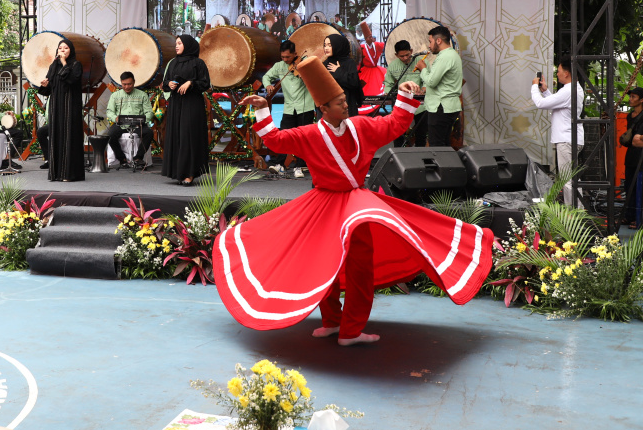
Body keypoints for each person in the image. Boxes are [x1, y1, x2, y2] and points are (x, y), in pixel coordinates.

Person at [214, 57, 494, 346]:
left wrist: (407, 94)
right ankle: (333, 322)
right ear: (323, 108)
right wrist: (262, 109)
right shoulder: (309, 134)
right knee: (324, 265)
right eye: (337, 102)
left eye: (343, 99)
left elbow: (394, 124)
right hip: (323, 206)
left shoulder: (360, 127)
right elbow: (274, 140)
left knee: (360, 267)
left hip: (356, 207)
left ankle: (351, 330)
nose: (345, 104)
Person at [530, 56, 584, 207]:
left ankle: (572, 214)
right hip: (571, 137)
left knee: (567, 179)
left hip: (566, 139)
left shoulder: (568, 90)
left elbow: (541, 104)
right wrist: (546, 91)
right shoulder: (573, 89)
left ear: (566, 73)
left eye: (559, 71)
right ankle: (577, 209)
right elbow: (556, 103)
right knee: (572, 177)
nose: (557, 74)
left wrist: (535, 87)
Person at [162, 34, 211, 185]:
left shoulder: (198, 63)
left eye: (179, 43)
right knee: (177, 135)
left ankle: (190, 173)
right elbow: (165, 82)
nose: (176, 46)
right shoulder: (173, 63)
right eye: (176, 43)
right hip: (176, 104)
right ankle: (177, 172)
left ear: (188, 45)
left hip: (192, 104)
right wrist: (169, 84)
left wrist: (190, 83)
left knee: (188, 136)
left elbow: (205, 83)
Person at [262, 40, 314, 177]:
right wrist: (268, 85)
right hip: (289, 106)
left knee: (303, 137)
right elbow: (267, 76)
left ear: (295, 54)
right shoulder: (279, 66)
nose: (285, 60)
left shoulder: (304, 62)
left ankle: (300, 166)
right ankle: (280, 165)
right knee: (284, 136)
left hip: (305, 106)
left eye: (288, 57)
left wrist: (303, 72)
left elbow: (314, 78)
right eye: (283, 57)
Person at [38, 39, 85, 182]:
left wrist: (65, 63)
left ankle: (69, 174)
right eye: (60, 48)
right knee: (56, 135)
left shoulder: (76, 65)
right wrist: (45, 84)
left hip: (70, 107)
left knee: (69, 136)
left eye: (66, 48)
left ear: (71, 51)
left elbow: (72, 80)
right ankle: (56, 173)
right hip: (56, 106)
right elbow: (49, 89)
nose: (62, 50)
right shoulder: (53, 66)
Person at [416, 26, 463, 147]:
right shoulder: (452, 55)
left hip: (441, 107)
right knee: (443, 143)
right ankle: (447, 166)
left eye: (430, 41)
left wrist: (423, 69)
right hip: (448, 106)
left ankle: (441, 166)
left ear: (438, 41)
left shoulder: (444, 57)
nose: (429, 46)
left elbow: (431, 81)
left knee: (436, 145)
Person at [104, 71, 155, 169]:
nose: (127, 87)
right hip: (120, 124)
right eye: (124, 84)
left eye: (129, 84)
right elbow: (109, 111)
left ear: (134, 82)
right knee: (110, 135)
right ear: (121, 83)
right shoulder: (115, 96)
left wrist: (143, 120)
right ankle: (122, 159)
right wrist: (115, 118)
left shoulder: (142, 95)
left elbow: (149, 112)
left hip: (138, 124)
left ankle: (138, 158)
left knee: (149, 133)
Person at [383, 40, 428, 147]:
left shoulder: (420, 61)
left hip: (420, 104)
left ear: (411, 51)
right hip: (402, 104)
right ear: (396, 55)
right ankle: (399, 155)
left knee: (421, 133)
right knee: (398, 133)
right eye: (401, 56)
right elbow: (388, 83)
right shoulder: (393, 65)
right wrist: (387, 93)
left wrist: (424, 89)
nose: (405, 58)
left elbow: (428, 79)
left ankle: (420, 157)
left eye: (407, 55)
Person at [323, 34, 362, 117]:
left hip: (347, 105)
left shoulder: (348, 63)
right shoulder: (324, 64)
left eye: (329, 45)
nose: (326, 48)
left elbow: (354, 83)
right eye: (325, 45)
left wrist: (338, 72)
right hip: (329, 107)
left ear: (338, 46)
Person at [621, 87, 643, 227]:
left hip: (641, 156)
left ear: (641, 100)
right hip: (631, 156)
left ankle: (638, 218)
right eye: (631, 97)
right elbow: (633, 139)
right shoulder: (630, 116)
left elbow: (637, 139)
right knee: (628, 187)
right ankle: (629, 216)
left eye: (634, 97)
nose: (630, 99)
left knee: (638, 188)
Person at [357, 22, 387, 112]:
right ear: (365, 39)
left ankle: (377, 109)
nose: (369, 39)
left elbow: (387, 44)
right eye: (367, 37)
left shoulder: (377, 45)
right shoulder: (361, 47)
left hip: (376, 70)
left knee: (378, 89)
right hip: (365, 70)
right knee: (365, 90)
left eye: (370, 37)